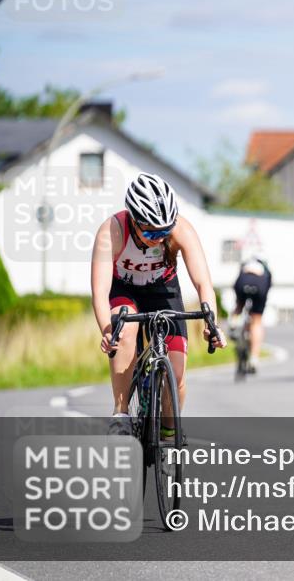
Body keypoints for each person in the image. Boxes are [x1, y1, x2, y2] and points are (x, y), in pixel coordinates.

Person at [90, 172, 226, 436]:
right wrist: (107, 329)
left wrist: (212, 324)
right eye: (152, 231)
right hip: (124, 289)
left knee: (176, 374)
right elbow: (100, 289)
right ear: (134, 219)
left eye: (165, 230)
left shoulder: (181, 229)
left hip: (162, 290)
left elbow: (203, 283)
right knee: (125, 326)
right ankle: (121, 414)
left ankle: (167, 430)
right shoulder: (112, 231)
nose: (160, 237)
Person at [232, 254, 272, 373]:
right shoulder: (266, 270)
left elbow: (236, 282)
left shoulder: (244, 265)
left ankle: (233, 325)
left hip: (242, 282)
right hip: (260, 285)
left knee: (239, 306)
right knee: (256, 320)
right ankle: (254, 358)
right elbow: (268, 287)